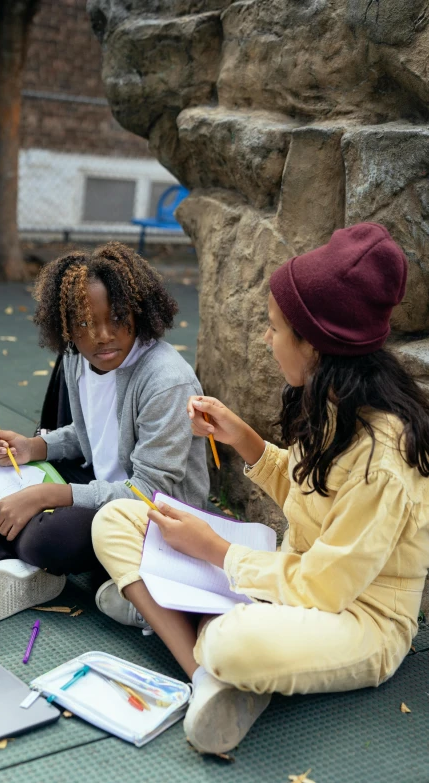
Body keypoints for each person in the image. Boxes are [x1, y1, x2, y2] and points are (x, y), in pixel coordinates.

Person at [91, 223, 429, 755]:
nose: (266, 340)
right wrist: (246, 441)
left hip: (359, 619)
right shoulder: (334, 401)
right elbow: (308, 496)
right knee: (117, 520)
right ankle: (206, 675)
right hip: (289, 571)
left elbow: (326, 589)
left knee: (234, 641)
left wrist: (214, 550)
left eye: (274, 329)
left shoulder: (381, 460)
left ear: (315, 344)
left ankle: (175, 622)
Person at [0, 242, 209, 624]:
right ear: (66, 326)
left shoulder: (165, 380)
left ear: (139, 310)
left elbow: (149, 491)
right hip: (96, 483)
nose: (101, 334)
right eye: (84, 323)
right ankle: (0, 554)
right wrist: (33, 446)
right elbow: (90, 432)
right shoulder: (76, 357)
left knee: (48, 539)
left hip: (143, 513)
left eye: (116, 317)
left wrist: (46, 495)